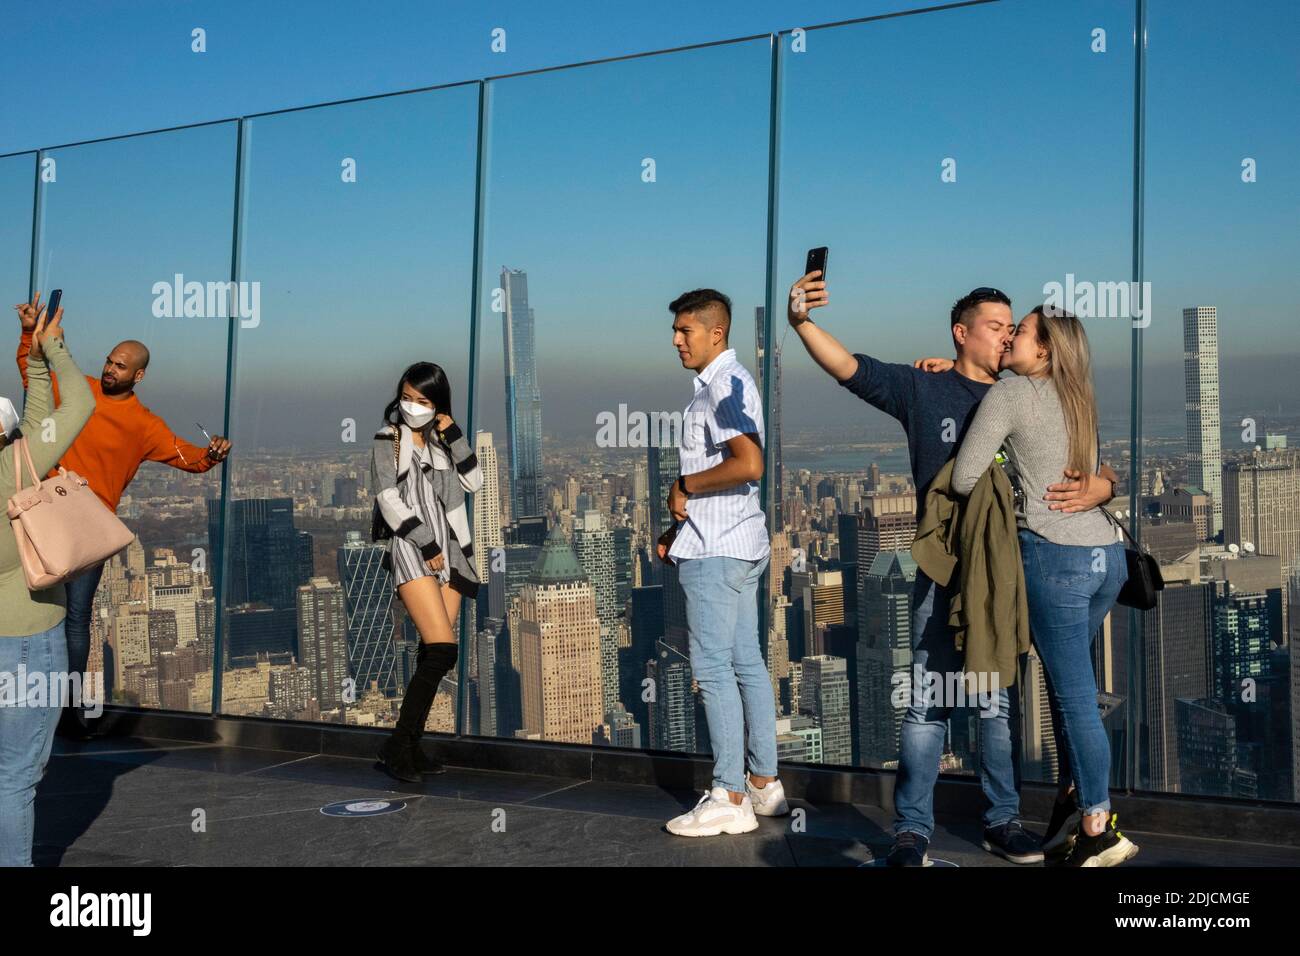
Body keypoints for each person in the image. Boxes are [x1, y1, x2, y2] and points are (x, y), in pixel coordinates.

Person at [788, 273, 1118, 866]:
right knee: (927, 701)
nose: (1008, 335)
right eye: (997, 327)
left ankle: (1004, 820)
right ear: (961, 334)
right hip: (943, 569)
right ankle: (912, 828)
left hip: (1006, 574)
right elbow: (849, 369)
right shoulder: (923, 388)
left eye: (1014, 328)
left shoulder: (1027, 392)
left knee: (996, 702)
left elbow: (1083, 458)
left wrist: (1104, 484)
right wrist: (802, 323)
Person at [951, 305, 1137, 867]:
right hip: (1108, 558)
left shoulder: (1008, 396)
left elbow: (963, 477)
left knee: (1076, 698)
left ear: (1047, 349)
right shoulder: (1078, 396)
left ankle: (1098, 827)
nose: (1011, 338)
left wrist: (1003, 459)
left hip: (1056, 559)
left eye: (1022, 332)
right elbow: (1097, 474)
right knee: (1067, 685)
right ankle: (1071, 798)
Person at [13, 293, 232, 735]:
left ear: (139, 374)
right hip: (41, 514)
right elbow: (31, 372)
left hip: (86, 531)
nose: (110, 370)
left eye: (120, 365)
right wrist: (27, 332)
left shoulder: (144, 425)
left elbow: (188, 458)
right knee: (28, 612)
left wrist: (213, 453)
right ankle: (29, 707)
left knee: (76, 621)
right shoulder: (80, 392)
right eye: (109, 362)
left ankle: (68, 716)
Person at [659, 288, 787, 838]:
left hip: (718, 554)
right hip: (737, 542)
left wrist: (684, 484)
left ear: (716, 333)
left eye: (685, 330)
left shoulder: (723, 387)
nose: (676, 340)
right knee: (748, 664)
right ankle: (764, 784)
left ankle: (729, 794)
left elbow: (749, 463)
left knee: (711, 669)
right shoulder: (731, 383)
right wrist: (681, 523)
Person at [0, 302, 94, 866]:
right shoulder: (15, 467)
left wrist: (32, 356)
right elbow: (77, 405)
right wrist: (53, 344)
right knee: (15, 777)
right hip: (26, 639)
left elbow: (37, 424)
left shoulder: (18, 458)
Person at [371, 362, 482, 782]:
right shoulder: (389, 439)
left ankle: (408, 747)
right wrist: (426, 543)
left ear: (437, 405)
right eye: (407, 397)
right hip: (414, 549)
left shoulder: (440, 443)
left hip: (452, 553)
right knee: (441, 651)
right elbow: (386, 497)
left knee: (431, 656)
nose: (412, 407)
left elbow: (475, 481)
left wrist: (453, 434)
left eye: (422, 400)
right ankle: (398, 746)